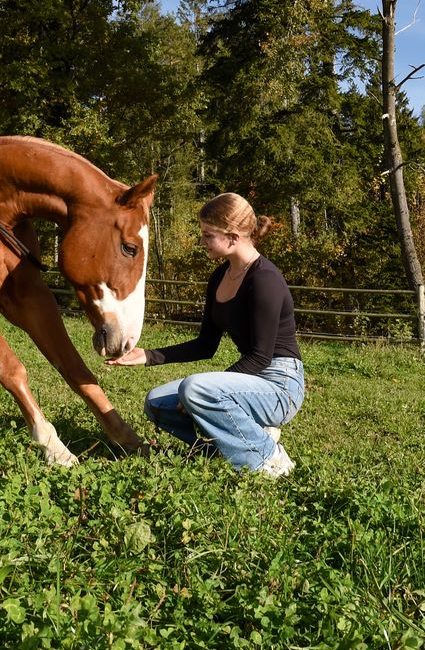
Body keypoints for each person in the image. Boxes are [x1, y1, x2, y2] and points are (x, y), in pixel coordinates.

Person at [106, 193, 304, 478]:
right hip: (250, 382)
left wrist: (205, 392)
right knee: (156, 402)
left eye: (208, 235)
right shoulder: (220, 277)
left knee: (194, 389)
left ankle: (268, 456)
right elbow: (205, 345)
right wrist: (147, 356)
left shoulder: (265, 280)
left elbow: (261, 357)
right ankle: (226, 449)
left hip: (280, 385)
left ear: (233, 237)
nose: (202, 241)